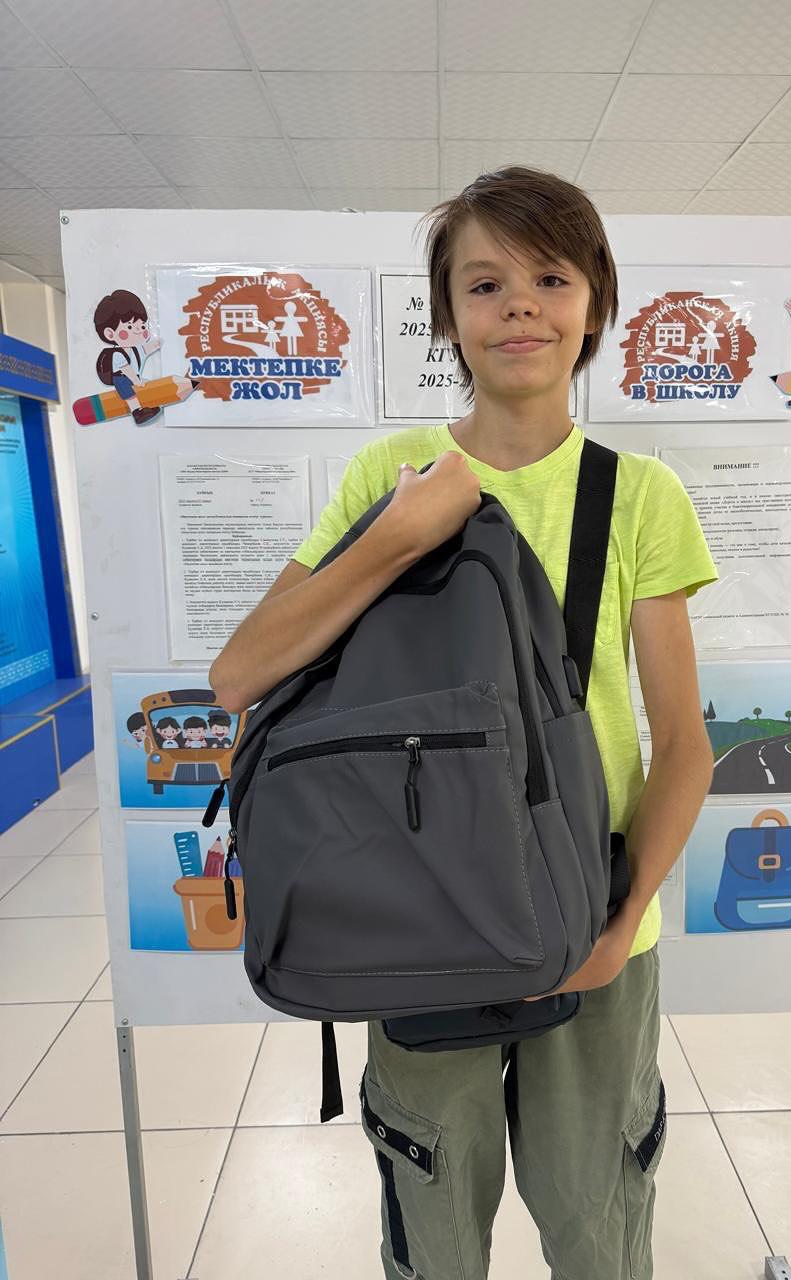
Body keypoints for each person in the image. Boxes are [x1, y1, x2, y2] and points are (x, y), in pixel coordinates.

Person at [209, 166, 718, 1279]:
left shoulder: (640, 494)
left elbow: (684, 742)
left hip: (595, 916)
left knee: (595, 1219)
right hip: (415, 912)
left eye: (551, 278)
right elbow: (240, 672)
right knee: (434, 1220)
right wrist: (401, 531)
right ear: (446, 313)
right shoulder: (387, 475)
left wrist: (622, 922)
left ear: (596, 301)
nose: (520, 304)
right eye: (485, 283)